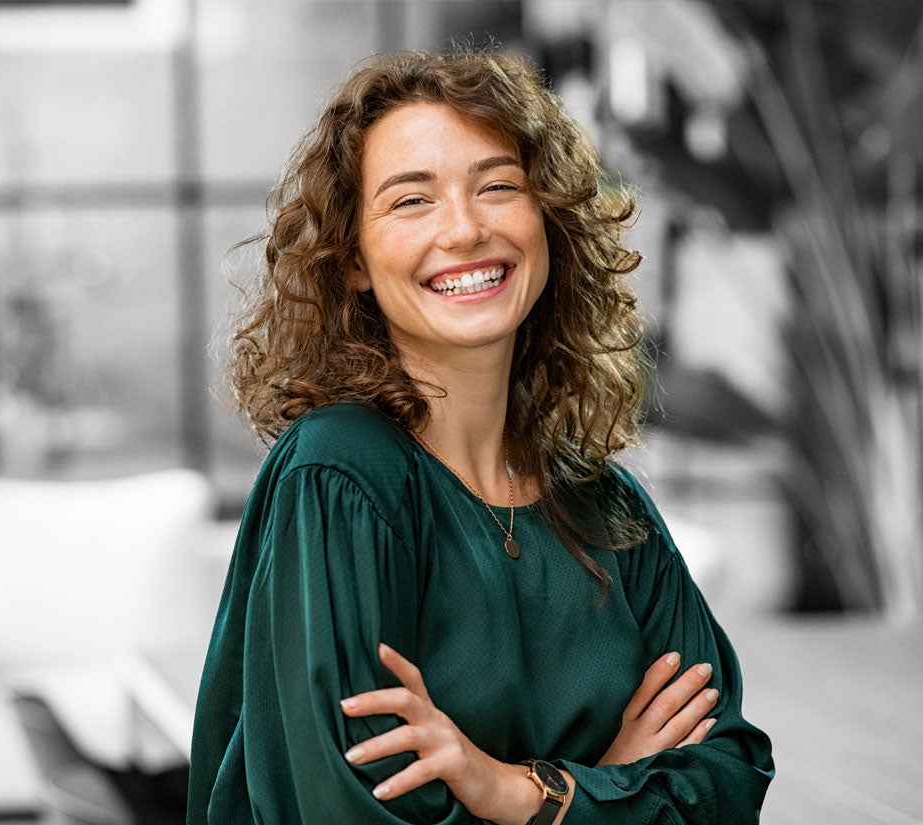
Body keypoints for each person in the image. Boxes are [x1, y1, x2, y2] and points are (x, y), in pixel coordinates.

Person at [186, 48, 774, 825]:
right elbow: (346, 812)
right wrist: (608, 786)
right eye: (410, 201)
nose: (463, 229)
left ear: (547, 221)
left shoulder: (604, 505)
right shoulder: (340, 476)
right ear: (353, 258)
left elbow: (727, 778)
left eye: (497, 186)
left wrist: (515, 789)